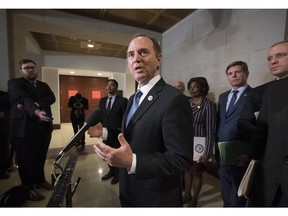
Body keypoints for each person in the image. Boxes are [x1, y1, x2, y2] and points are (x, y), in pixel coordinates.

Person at [88, 34, 194, 207]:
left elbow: (181, 158)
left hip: (156, 197)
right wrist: (105, 132)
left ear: (159, 59)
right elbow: (130, 136)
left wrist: (133, 162)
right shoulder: (132, 99)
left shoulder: (173, 99)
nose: (136, 59)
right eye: (131, 55)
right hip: (129, 190)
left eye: (143, 52)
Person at [8, 58, 56, 201]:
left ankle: (39, 180)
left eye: (33, 67)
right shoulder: (15, 83)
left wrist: (35, 102)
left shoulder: (43, 85)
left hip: (43, 127)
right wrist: (36, 111)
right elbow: (23, 98)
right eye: (26, 68)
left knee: (40, 156)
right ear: (21, 70)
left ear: (36, 69)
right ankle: (28, 188)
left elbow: (51, 98)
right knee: (25, 159)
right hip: (23, 129)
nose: (30, 70)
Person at [247, 40, 288, 207]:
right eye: (270, 58)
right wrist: (252, 157)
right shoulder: (271, 90)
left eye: (280, 55)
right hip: (271, 176)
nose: (273, 61)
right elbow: (261, 133)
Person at [216, 60, 252, 207]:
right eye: (230, 74)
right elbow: (220, 122)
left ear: (246, 73)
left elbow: (258, 127)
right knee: (225, 188)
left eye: (237, 72)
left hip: (240, 153)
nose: (234, 75)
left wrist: (249, 153)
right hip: (221, 152)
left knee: (238, 191)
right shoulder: (223, 97)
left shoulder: (254, 95)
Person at [182, 77, 216, 207]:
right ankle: (186, 195)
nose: (191, 89)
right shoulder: (187, 102)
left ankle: (194, 199)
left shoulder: (209, 105)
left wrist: (207, 152)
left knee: (196, 172)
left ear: (202, 88)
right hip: (186, 142)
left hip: (199, 144)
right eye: (190, 86)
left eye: (195, 86)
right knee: (186, 170)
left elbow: (210, 129)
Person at [98, 79, 128, 185]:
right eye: (108, 85)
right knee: (107, 153)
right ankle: (111, 171)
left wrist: (124, 132)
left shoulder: (123, 101)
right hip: (106, 132)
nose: (109, 87)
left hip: (117, 133)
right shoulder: (102, 100)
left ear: (116, 87)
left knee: (116, 154)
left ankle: (118, 175)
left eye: (112, 85)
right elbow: (101, 116)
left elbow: (126, 117)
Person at [0, 90, 11, 179]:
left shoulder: (5, 96)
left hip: (4, 127)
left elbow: (13, 110)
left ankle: (3, 171)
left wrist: (3, 114)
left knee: (5, 149)